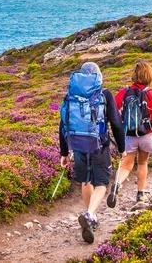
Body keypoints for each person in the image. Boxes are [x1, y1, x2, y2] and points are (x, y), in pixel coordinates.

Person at [58, 62, 125, 244]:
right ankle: (89, 214)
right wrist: (122, 147)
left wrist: (64, 152)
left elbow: (63, 125)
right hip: (99, 146)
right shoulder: (104, 94)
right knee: (102, 183)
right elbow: (116, 124)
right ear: (98, 76)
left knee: (86, 181)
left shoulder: (70, 96)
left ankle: (91, 217)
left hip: (78, 146)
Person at [107, 61, 152, 207]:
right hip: (146, 135)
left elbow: (112, 112)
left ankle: (117, 185)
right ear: (149, 76)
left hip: (128, 135)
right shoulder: (150, 94)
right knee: (142, 163)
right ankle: (140, 195)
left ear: (134, 76)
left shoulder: (124, 92)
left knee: (126, 165)